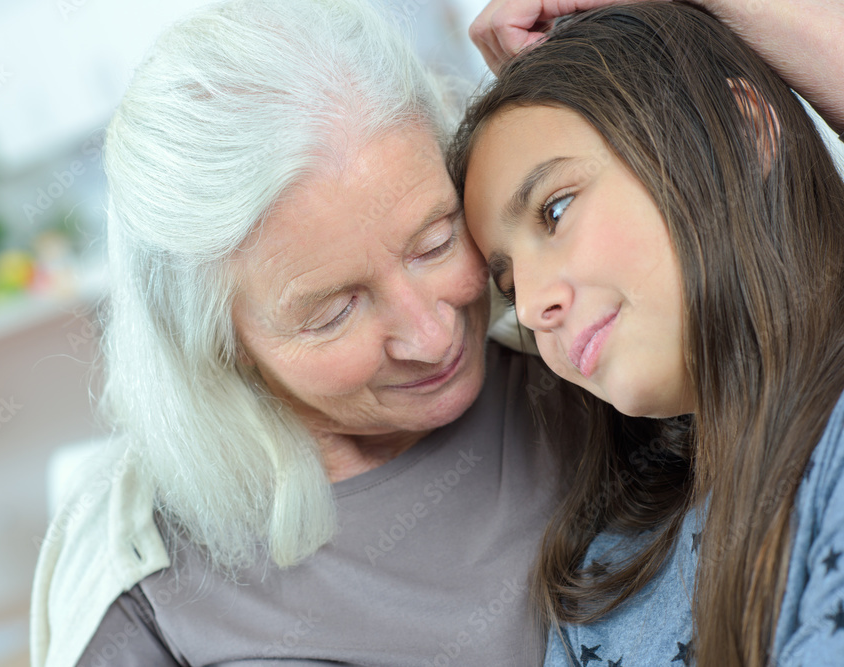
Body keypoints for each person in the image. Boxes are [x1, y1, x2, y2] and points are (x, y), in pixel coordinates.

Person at [29, 1, 584, 665]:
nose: (432, 336)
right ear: (217, 343)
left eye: (434, 243)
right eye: (333, 312)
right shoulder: (141, 578)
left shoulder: (588, 362)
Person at [449, 2, 844, 665]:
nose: (536, 304)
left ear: (747, 133)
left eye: (557, 208)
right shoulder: (600, 576)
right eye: (509, 285)